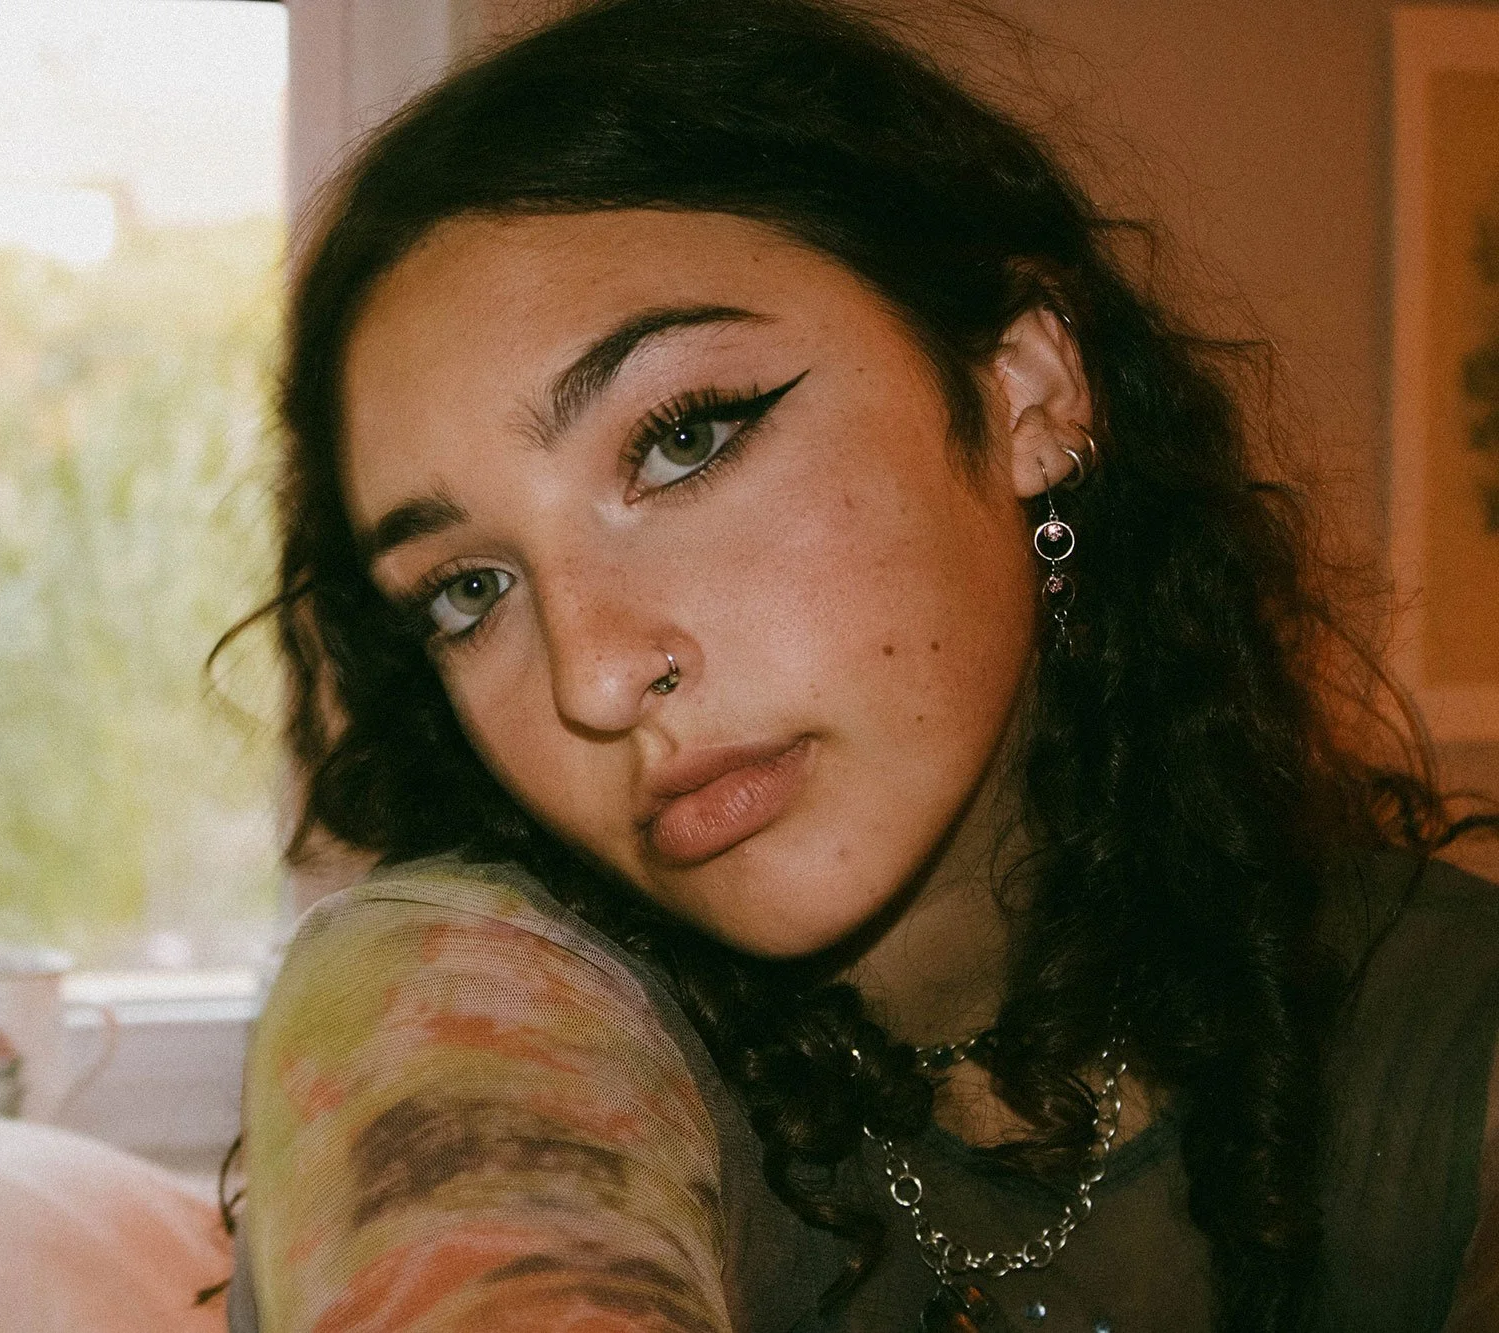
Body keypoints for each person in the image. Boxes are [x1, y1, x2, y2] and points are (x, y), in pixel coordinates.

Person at [220, 0, 1499, 1328]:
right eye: (470, 590)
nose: (592, 678)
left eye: (684, 440)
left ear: (1027, 391)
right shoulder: (460, 1004)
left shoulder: (1443, 1048)